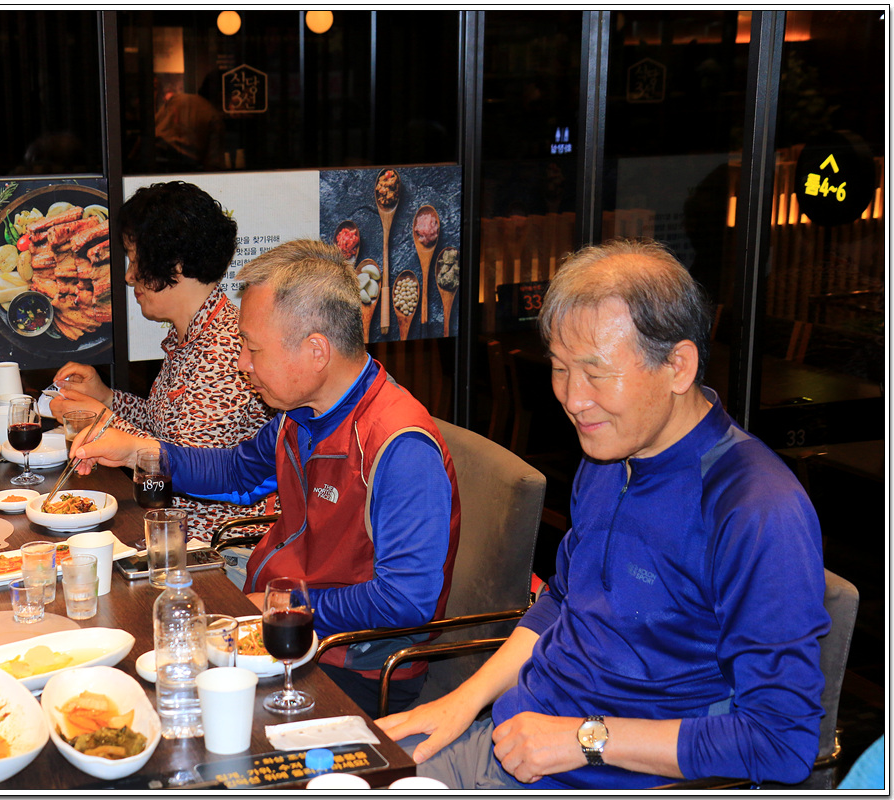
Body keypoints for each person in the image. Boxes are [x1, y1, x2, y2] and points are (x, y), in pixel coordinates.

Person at [377, 238, 831, 789]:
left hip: (602, 774)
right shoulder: (611, 453)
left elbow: (780, 741)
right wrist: (461, 702)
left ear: (678, 366)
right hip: (511, 738)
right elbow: (563, 599)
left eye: (596, 373)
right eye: (560, 369)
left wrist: (582, 740)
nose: (573, 399)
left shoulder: (755, 508)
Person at [69, 239, 461, 718]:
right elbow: (237, 472)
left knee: (173, 701)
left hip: (350, 665)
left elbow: (404, 602)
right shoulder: (302, 414)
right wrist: (137, 451)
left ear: (316, 351)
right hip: (283, 625)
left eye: (253, 349)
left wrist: (282, 605)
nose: (242, 364)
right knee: (142, 651)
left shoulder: (399, 447)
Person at [50, 181, 272, 543]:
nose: (128, 276)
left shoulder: (226, 349)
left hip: (214, 541)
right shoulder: (191, 335)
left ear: (175, 263)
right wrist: (107, 398)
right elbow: (164, 429)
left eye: (135, 259)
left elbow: (187, 464)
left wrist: (104, 423)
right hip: (171, 528)